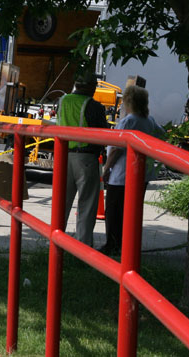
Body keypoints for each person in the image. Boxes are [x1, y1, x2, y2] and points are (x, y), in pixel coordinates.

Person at [100, 86, 163, 255]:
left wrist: (106, 169)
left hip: (121, 174)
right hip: (141, 174)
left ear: (128, 102)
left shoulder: (128, 121)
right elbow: (162, 137)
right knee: (132, 212)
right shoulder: (150, 121)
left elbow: (116, 149)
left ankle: (112, 244)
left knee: (114, 211)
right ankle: (130, 244)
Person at [58, 72, 109, 247]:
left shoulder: (62, 101)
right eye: (94, 87)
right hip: (86, 158)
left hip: (63, 156)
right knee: (87, 204)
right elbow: (103, 133)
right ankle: (83, 246)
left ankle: (56, 241)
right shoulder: (94, 106)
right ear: (89, 87)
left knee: (61, 202)